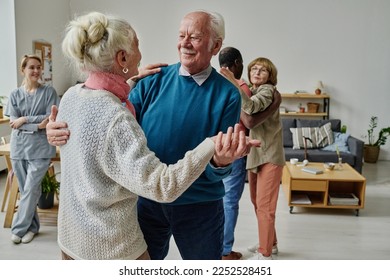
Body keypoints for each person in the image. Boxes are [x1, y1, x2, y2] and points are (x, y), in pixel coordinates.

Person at [48, 11, 257, 260]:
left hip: (199, 206)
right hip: (147, 201)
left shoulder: (228, 95)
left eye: (195, 37)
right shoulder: (152, 80)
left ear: (216, 46)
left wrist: (220, 162)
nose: (185, 43)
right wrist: (57, 129)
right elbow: (113, 123)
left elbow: (218, 166)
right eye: (182, 35)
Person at [218, 47, 281, 260]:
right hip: (257, 155)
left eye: (262, 70)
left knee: (264, 205)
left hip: (269, 154)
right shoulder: (253, 89)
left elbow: (251, 111)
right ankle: (270, 243)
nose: (256, 72)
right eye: (254, 68)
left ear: (270, 75)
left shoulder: (267, 91)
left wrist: (236, 84)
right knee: (257, 202)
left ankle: (265, 254)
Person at [5, 54, 60, 244]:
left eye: (39, 67)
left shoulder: (49, 92)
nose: (36, 71)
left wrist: (26, 119)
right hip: (19, 147)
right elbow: (14, 123)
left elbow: (50, 117)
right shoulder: (14, 95)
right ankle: (33, 228)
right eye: (32, 67)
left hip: (41, 148)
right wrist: (37, 125)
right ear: (23, 70)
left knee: (30, 188)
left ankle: (18, 230)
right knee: (26, 189)